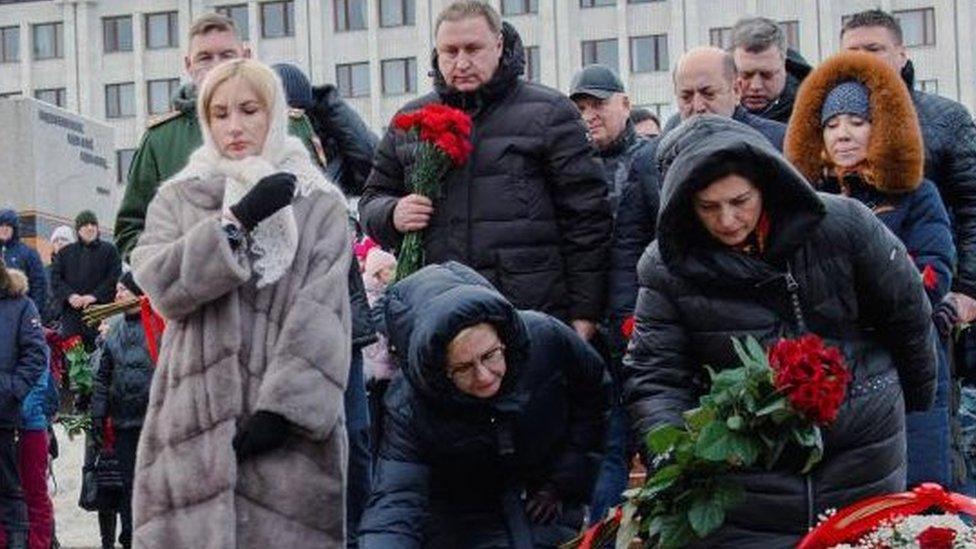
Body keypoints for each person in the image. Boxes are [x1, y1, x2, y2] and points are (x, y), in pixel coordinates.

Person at [624, 115, 936, 546]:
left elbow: (909, 317)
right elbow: (656, 375)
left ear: (766, 186)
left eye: (740, 201)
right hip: (747, 479)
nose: (729, 220)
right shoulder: (666, 268)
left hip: (860, 451)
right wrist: (673, 457)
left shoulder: (843, 225)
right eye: (709, 208)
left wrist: (916, 401)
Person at [129, 59, 351, 546]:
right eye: (220, 113)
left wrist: (284, 412)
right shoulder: (179, 197)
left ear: (274, 113)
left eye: (249, 110)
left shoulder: (320, 203)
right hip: (191, 423)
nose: (234, 126)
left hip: (289, 436)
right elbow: (160, 285)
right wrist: (235, 223)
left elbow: (325, 309)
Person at [359, 0, 611, 341]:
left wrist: (585, 315)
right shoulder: (410, 122)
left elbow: (587, 220)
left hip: (531, 314)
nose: (461, 62)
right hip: (439, 314)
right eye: (450, 51)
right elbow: (371, 200)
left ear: (499, 45)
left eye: (473, 49)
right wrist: (393, 213)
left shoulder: (550, 113)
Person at [786, 50, 956, 490]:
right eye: (831, 124)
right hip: (830, 369)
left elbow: (933, 274)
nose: (842, 134)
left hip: (908, 359)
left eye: (856, 122)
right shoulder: (802, 206)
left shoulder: (918, 196)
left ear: (880, 128)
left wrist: (862, 302)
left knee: (913, 497)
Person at [359, 262, 609, 547]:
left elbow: (595, 396)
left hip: (546, 500)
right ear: (440, 371)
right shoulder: (411, 403)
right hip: (460, 517)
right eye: (463, 368)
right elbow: (396, 500)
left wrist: (565, 478)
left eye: (490, 355)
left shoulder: (545, 338)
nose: (484, 376)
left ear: (503, 338)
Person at [841, 8, 976, 492]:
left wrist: (965, 290)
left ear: (901, 54)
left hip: (934, 303)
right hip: (857, 320)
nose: (864, 61)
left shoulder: (945, 119)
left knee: (938, 438)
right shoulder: (833, 122)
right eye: (852, 52)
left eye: (874, 50)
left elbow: (971, 206)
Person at [113, 13, 328, 260]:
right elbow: (132, 228)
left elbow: (322, 213)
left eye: (227, 55)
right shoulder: (160, 140)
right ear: (188, 65)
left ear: (246, 58)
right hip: (199, 292)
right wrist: (176, 268)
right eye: (204, 57)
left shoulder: (290, 125)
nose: (217, 66)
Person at [272, 61, 377, 548]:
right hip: (283, 329)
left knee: (354, 437)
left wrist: (325, 99)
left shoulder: (326, 159)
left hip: (341, 322)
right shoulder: (259, 161)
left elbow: (373, 164)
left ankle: (357, 537)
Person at [568, 63, 657, 524]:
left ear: (625, 103)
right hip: (588, 329)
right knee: (607, 445)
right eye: (580, 107)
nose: (589, 115)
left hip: (646, 327)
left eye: (598, 104)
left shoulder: (653, 162)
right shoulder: (567, 167)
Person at [88, 272, 153, 549]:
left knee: (151, 485)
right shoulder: (113, 328)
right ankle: (129, 538)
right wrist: (98, 416)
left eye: (123, 290)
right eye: (116, 290)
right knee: (128, 485)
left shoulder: (157, 324)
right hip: (124, 422)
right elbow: (102, 377)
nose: (117, 296)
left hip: (153, 423)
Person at [0, 260, 47, 549]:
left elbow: (36, 355)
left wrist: (11, 389)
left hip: (5, 416)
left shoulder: (21, 305)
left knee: (11, 494)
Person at [667, 47, 786, 150]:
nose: (698, 107)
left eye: (708, 94)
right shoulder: (658, 155)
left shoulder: (779, 144)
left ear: (736, 91)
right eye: (686, 97)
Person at [49, 211, 121, 349]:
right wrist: (70, 296)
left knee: (100, 359)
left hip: (99, 315)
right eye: (85, 224)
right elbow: (56, 280)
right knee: (73, 362)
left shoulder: (110, 251)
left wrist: (94, 296)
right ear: (78, 229)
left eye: (93, 224)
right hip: (72, 319)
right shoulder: (65, 253)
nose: (90, 227)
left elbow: (114, 278)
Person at [730, 16, 812, 124]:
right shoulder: (710, 109)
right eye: (746, 75)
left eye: (767, 75)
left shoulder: (814, 111)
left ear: (784, 66)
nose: (756, 86)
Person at [0, 210, 47, 315]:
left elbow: (39, 284)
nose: (4, 229)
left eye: (8, 226)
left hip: (20, 312)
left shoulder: (28, 253)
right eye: (1, 225)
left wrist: (34, 312)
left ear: (14, 229)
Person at [43, 225, 75, 324]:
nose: (60, 242)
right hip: (48, 329)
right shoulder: (45, 272)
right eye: (56, 240)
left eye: (64, 239)